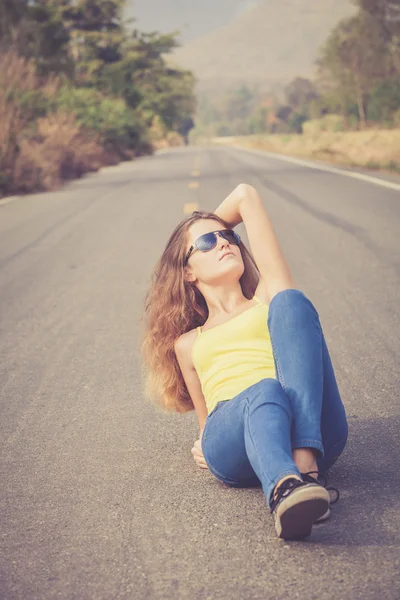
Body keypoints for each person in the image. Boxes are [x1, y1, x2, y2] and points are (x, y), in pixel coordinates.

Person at [141, 183, 348, 541]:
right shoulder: (188, 343)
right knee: (263, 391)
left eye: (227, 237)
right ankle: (287, 487)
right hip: (235, 443)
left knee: (292, 302)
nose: (223, 242)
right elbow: (207, 422)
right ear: (187, 272)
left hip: (310, 432)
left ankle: (300, 464)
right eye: (207, 243)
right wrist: (203, 442)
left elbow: (245, 195)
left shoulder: (267, 299)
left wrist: (207, 228)